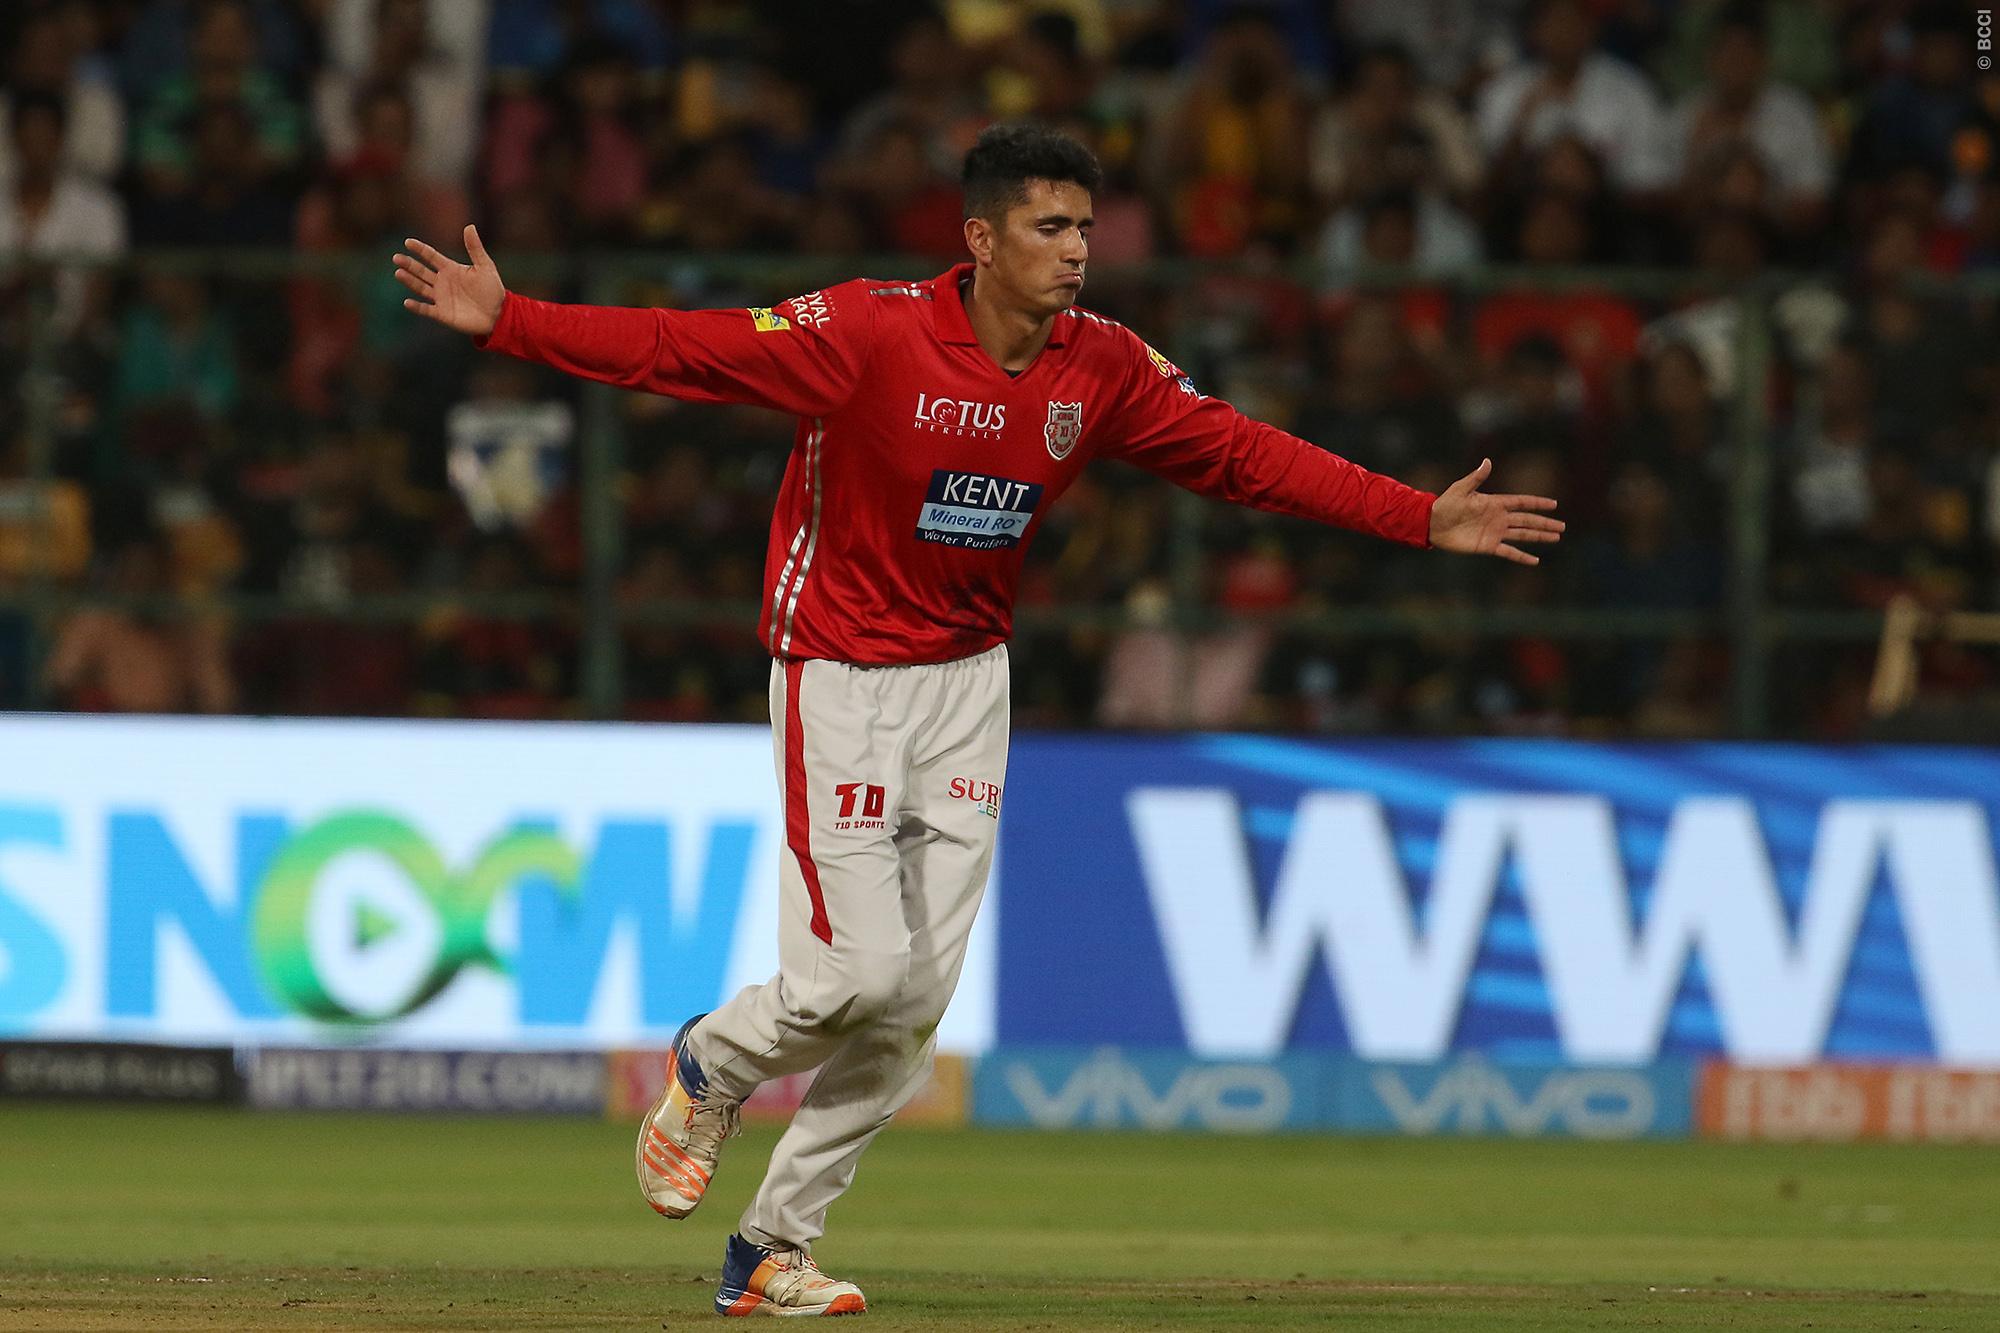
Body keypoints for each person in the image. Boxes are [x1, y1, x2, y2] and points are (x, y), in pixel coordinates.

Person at [392, 124, 1563, 1318]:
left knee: (910, 1008)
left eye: (1084, 229)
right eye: (1048, 228)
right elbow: (682, 350)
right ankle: (713, 1059)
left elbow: (1237, 454)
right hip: (840, 671)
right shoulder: (867, 330)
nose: (1075, 251)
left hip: (967, 682)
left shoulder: (1101, 364)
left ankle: (771, 1247)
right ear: (981, 239)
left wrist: (1415, 516)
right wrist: (513, 321)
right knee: (853, 975)